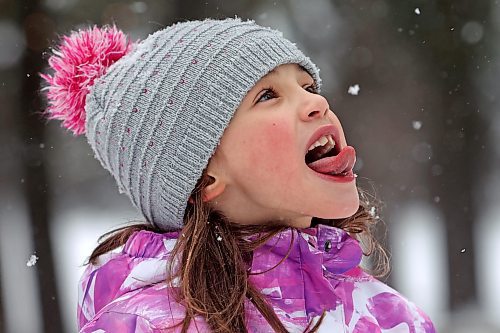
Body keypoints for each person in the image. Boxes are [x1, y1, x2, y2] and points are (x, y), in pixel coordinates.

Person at [41, 18, 435, 333]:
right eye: (267, 95)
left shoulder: (389, 318)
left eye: (308, 86)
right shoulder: (148, 325)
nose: (317, 101)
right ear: (203, 178)